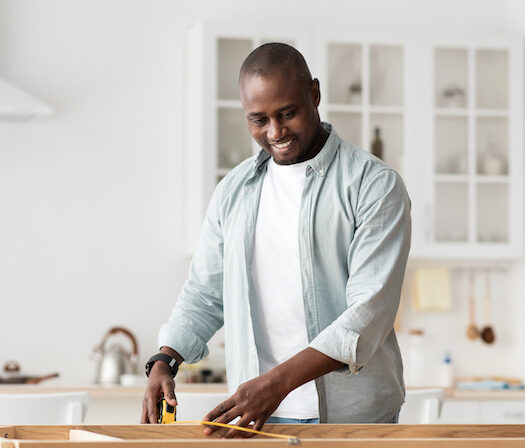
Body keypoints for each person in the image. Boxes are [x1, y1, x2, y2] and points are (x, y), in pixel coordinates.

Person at [141, 43, 411, 437]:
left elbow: (367, 316)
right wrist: (164, 361)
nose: (275, 132)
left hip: (355, 419)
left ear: (314, 94)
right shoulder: (233, 191)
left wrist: (277, 384)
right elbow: (204, 293)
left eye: (287, 114)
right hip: (258, 419)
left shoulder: (373, 185)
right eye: (259, 120)